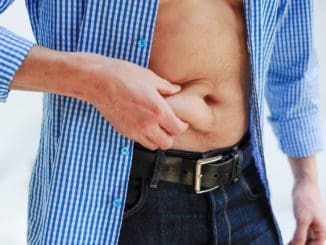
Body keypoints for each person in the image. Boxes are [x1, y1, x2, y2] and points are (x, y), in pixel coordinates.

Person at [0, 0, 325, 244]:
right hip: (121, 206)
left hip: (243, 196)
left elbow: (292, 47)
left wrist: (306, 178)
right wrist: (96, 83)